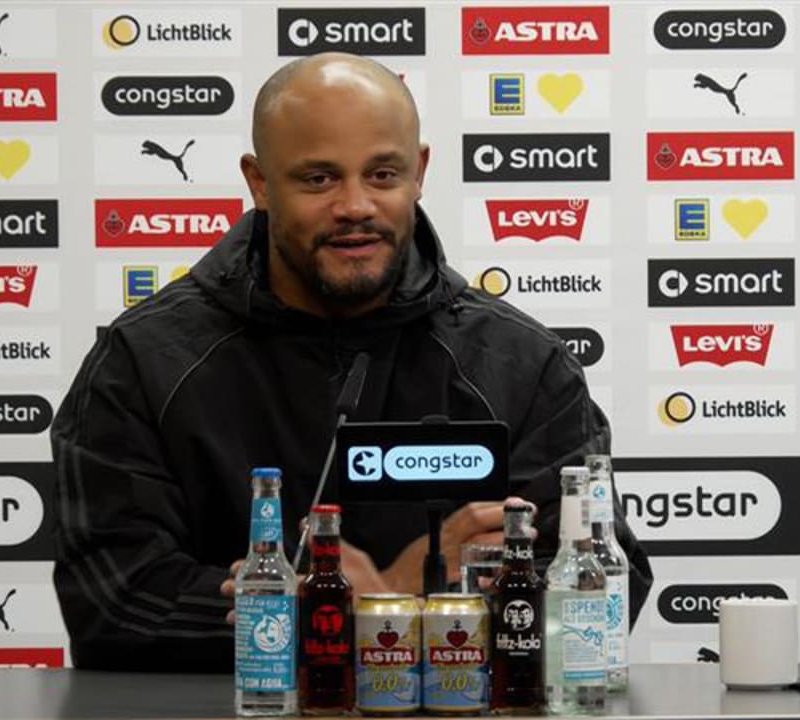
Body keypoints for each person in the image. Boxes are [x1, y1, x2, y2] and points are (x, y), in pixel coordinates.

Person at [50, 52, 651, 672]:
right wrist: (331, 609)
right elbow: (112, 600)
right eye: (318, 179)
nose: (355, 205)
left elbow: (606, 585)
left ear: (419, 172)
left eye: (383, 174)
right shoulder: (143, 360)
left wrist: (414, 602)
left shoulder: (521, 364)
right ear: (259, 183)